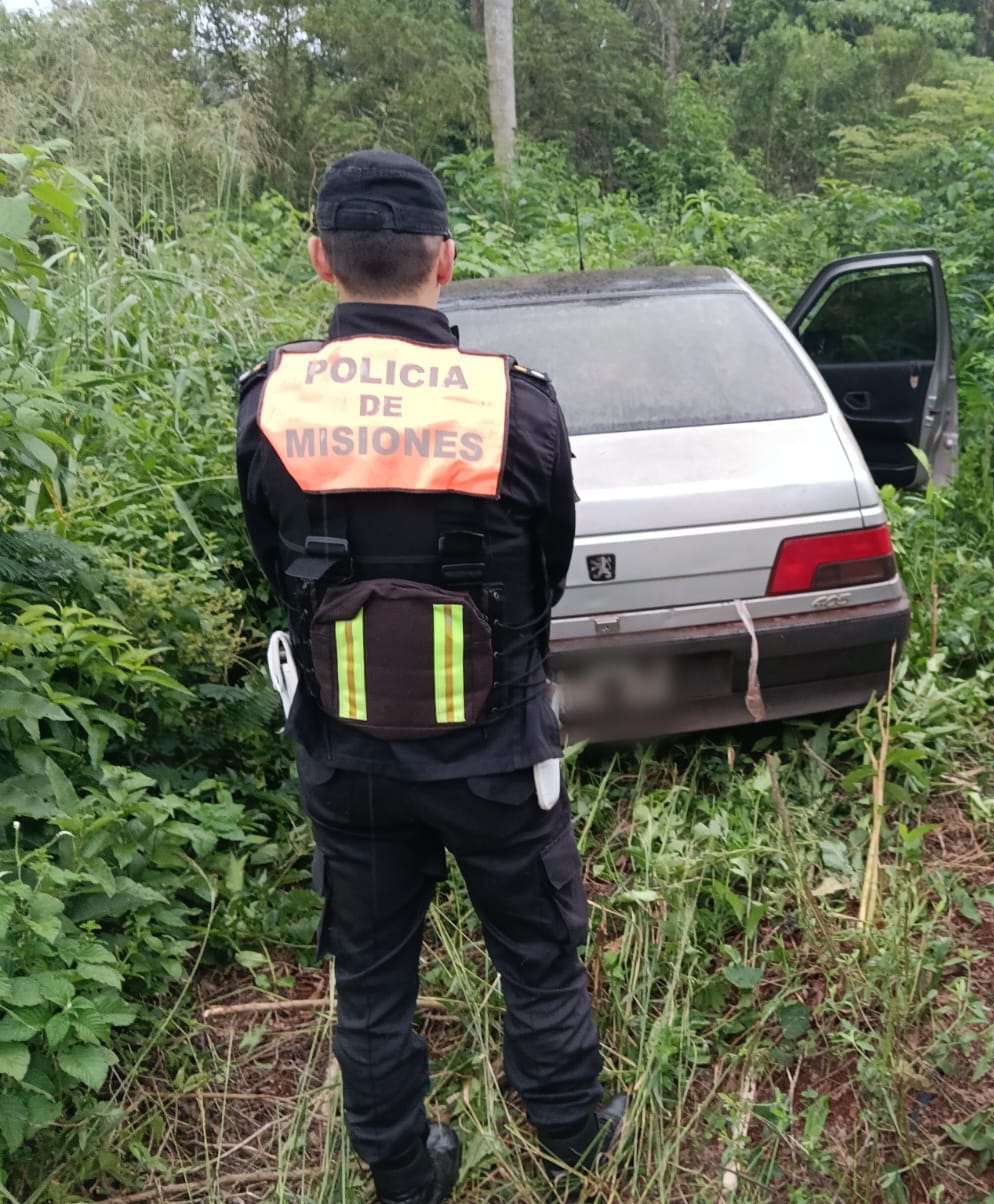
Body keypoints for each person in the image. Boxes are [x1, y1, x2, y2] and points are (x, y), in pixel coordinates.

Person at [235, 149, 624, 1204]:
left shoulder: (268, 402)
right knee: (538, 953)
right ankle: (570, 1138)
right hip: (496, 751)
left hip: (346, 756)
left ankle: (405, 1171)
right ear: (444, 261)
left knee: (368, 974)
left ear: (321, 260)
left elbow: (278, 568)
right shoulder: (519, 406)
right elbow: (546, 572)